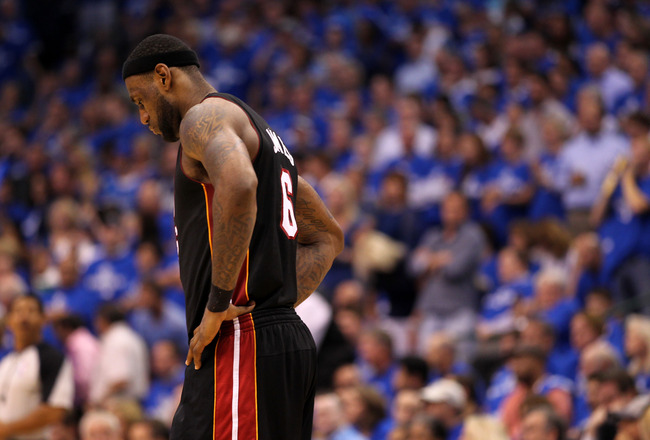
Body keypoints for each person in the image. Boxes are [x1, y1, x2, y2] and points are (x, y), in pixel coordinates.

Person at [122, 34, 344, 440]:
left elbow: (239, 185)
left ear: (163, 77)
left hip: (241, 341)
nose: (143, 117)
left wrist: (219, 303)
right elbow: (328, 236)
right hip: (279, 340)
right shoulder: (262, 134)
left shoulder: (202, 119)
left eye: (140, 101)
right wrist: (275, 305)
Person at [0, 295, 74, 440]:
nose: (24, 317)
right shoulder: (6, 361)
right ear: (9, 320)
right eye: (18, 311)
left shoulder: (52, 358)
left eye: (31, 311)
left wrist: (8, 429)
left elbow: (55, 410)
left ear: (44, 319)